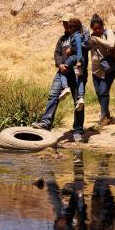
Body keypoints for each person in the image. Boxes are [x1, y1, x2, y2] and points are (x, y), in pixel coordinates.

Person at [33, 15, 87, 143]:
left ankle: (78, 130)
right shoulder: (62, 39)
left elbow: (87, 46)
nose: (66, 26)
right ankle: (46, 123)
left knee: (78, 101)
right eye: (64, 24)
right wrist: (59, 64)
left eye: (68, 24)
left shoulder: (81, 35)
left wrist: (72, 49)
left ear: (73, 25)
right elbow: (57, 53)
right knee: (53, 96)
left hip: (76, 71)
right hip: (62, 70)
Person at [88, 14, 115, 127]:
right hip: (96, 69)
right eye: (95, 29)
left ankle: (103, 117)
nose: (97, 30)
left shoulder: (108, 32)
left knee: (103, 91)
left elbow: (111, 45)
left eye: (99, 28)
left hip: (108, 67)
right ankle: (107, 113)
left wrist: (97, 39)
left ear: (103, 26)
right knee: (98, 92)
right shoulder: (90, 36)